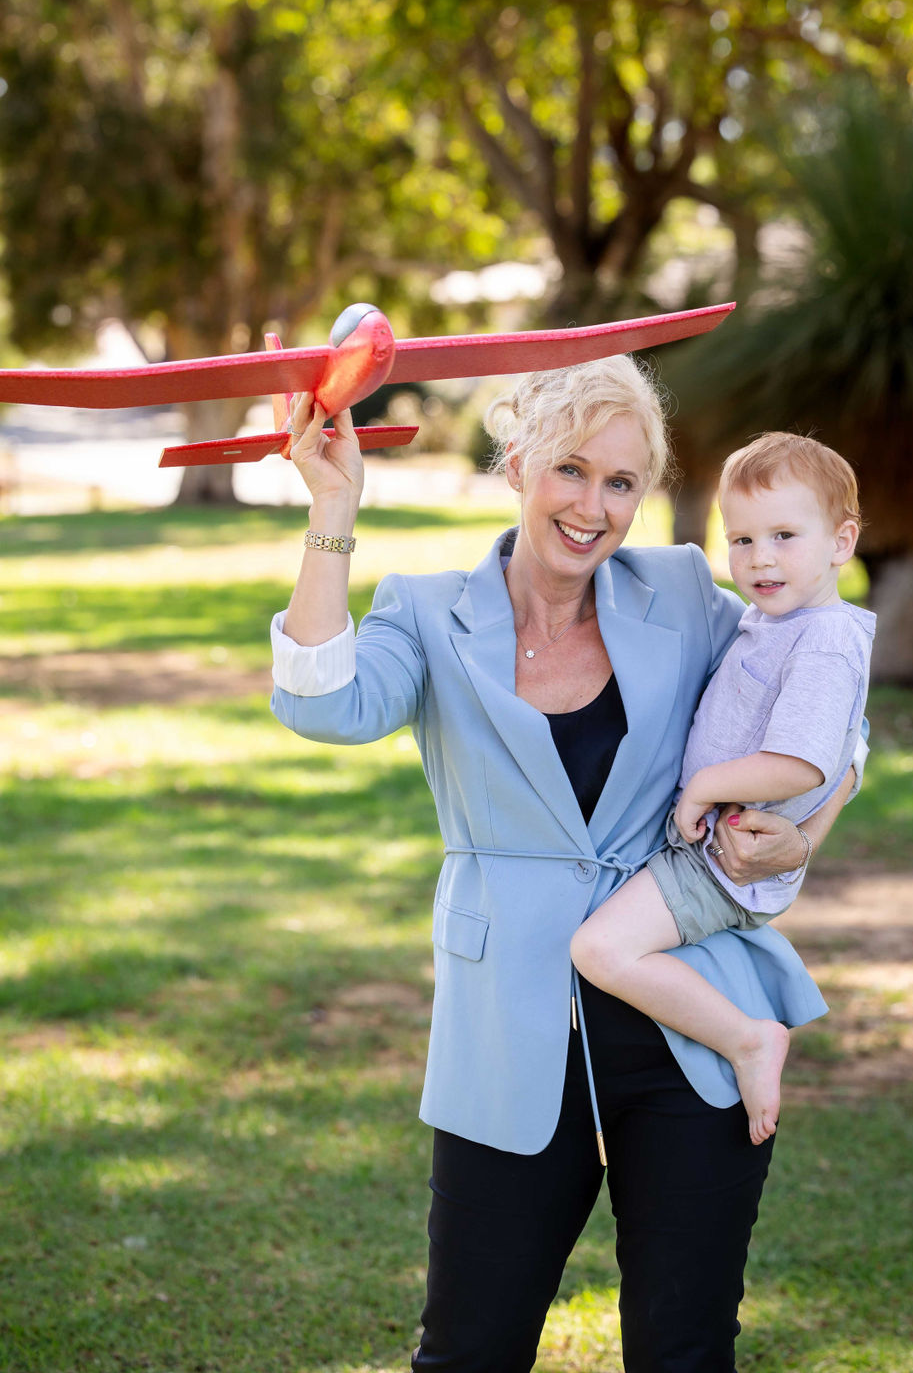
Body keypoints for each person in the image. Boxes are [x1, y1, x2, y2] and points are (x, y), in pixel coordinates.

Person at [269, 354, 857, 1373]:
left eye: (621, 482)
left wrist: (805, 829)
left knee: (682, 1351)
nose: (593, 507)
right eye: (571, 471)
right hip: (508, 1033)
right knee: (470, 1352)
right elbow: (323, 704)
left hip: (688, 1032)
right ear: (515, 465)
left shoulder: (679, 590)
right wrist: (333, 511)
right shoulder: (427, 611)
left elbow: (822, 706)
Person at [571, 433, 874, 1147]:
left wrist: (707, 784)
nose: (759, 557)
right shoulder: (774, 622)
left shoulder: (823, 641)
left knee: (601, 951)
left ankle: (747, 1040)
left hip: (721, 860)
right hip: (706, 848)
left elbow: (802, 764)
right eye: (740, 538)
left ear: (842, 540)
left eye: (783, 536)